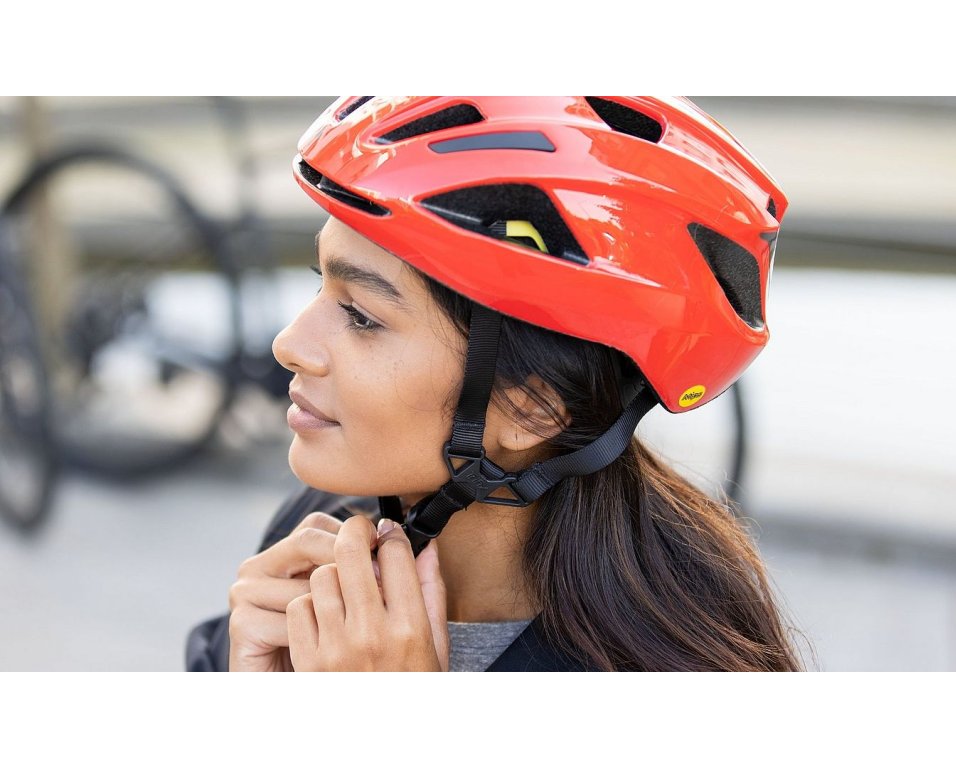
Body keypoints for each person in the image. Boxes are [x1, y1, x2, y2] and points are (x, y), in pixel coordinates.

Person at [186, 96, 801, 672]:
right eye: (320, 281)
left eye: (361, 316)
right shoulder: (321, 540)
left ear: (532, 408)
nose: (288, 344)